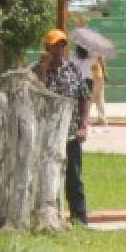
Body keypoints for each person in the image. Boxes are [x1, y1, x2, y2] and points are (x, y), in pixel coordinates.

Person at [32, 29, 91, 226]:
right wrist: (43, 69)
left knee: (74, 177)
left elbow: (84, 97)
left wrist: (83, 125)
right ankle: (51, 218)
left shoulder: (72, 69)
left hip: (70, 134)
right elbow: (34, 96)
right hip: (46, 134)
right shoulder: (35, 71)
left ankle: (79, 219)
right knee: (49, 176)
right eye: (55, 45)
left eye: (62, 45)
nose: (59, 49)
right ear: (46, 48)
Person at [90, 56, 108, 126]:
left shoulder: (90, 50)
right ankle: (102, 119)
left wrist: (105, 73)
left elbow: (102, 62)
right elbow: (102, 62)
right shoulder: (99, 50)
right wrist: (105, 74)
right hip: (99, 75)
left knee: (90, 97)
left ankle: (83, 118)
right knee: (99, 99)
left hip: (93, 75)